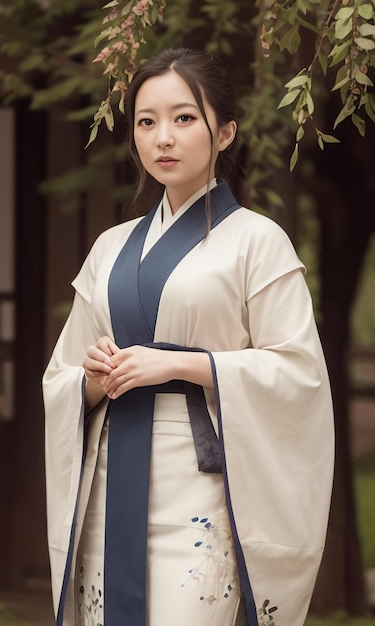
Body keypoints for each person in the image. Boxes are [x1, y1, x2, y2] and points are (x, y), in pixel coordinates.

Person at [43, 47, 334, 626]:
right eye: (147, 122)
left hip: (203, 486)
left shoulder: (258, 241)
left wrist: (183, 365)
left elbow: (299, 372)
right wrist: (94, 378)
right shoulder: (110, 247)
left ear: (224, 132)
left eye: (183, 118)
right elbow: (62, 377)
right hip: (111, 484)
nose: (163, 138)